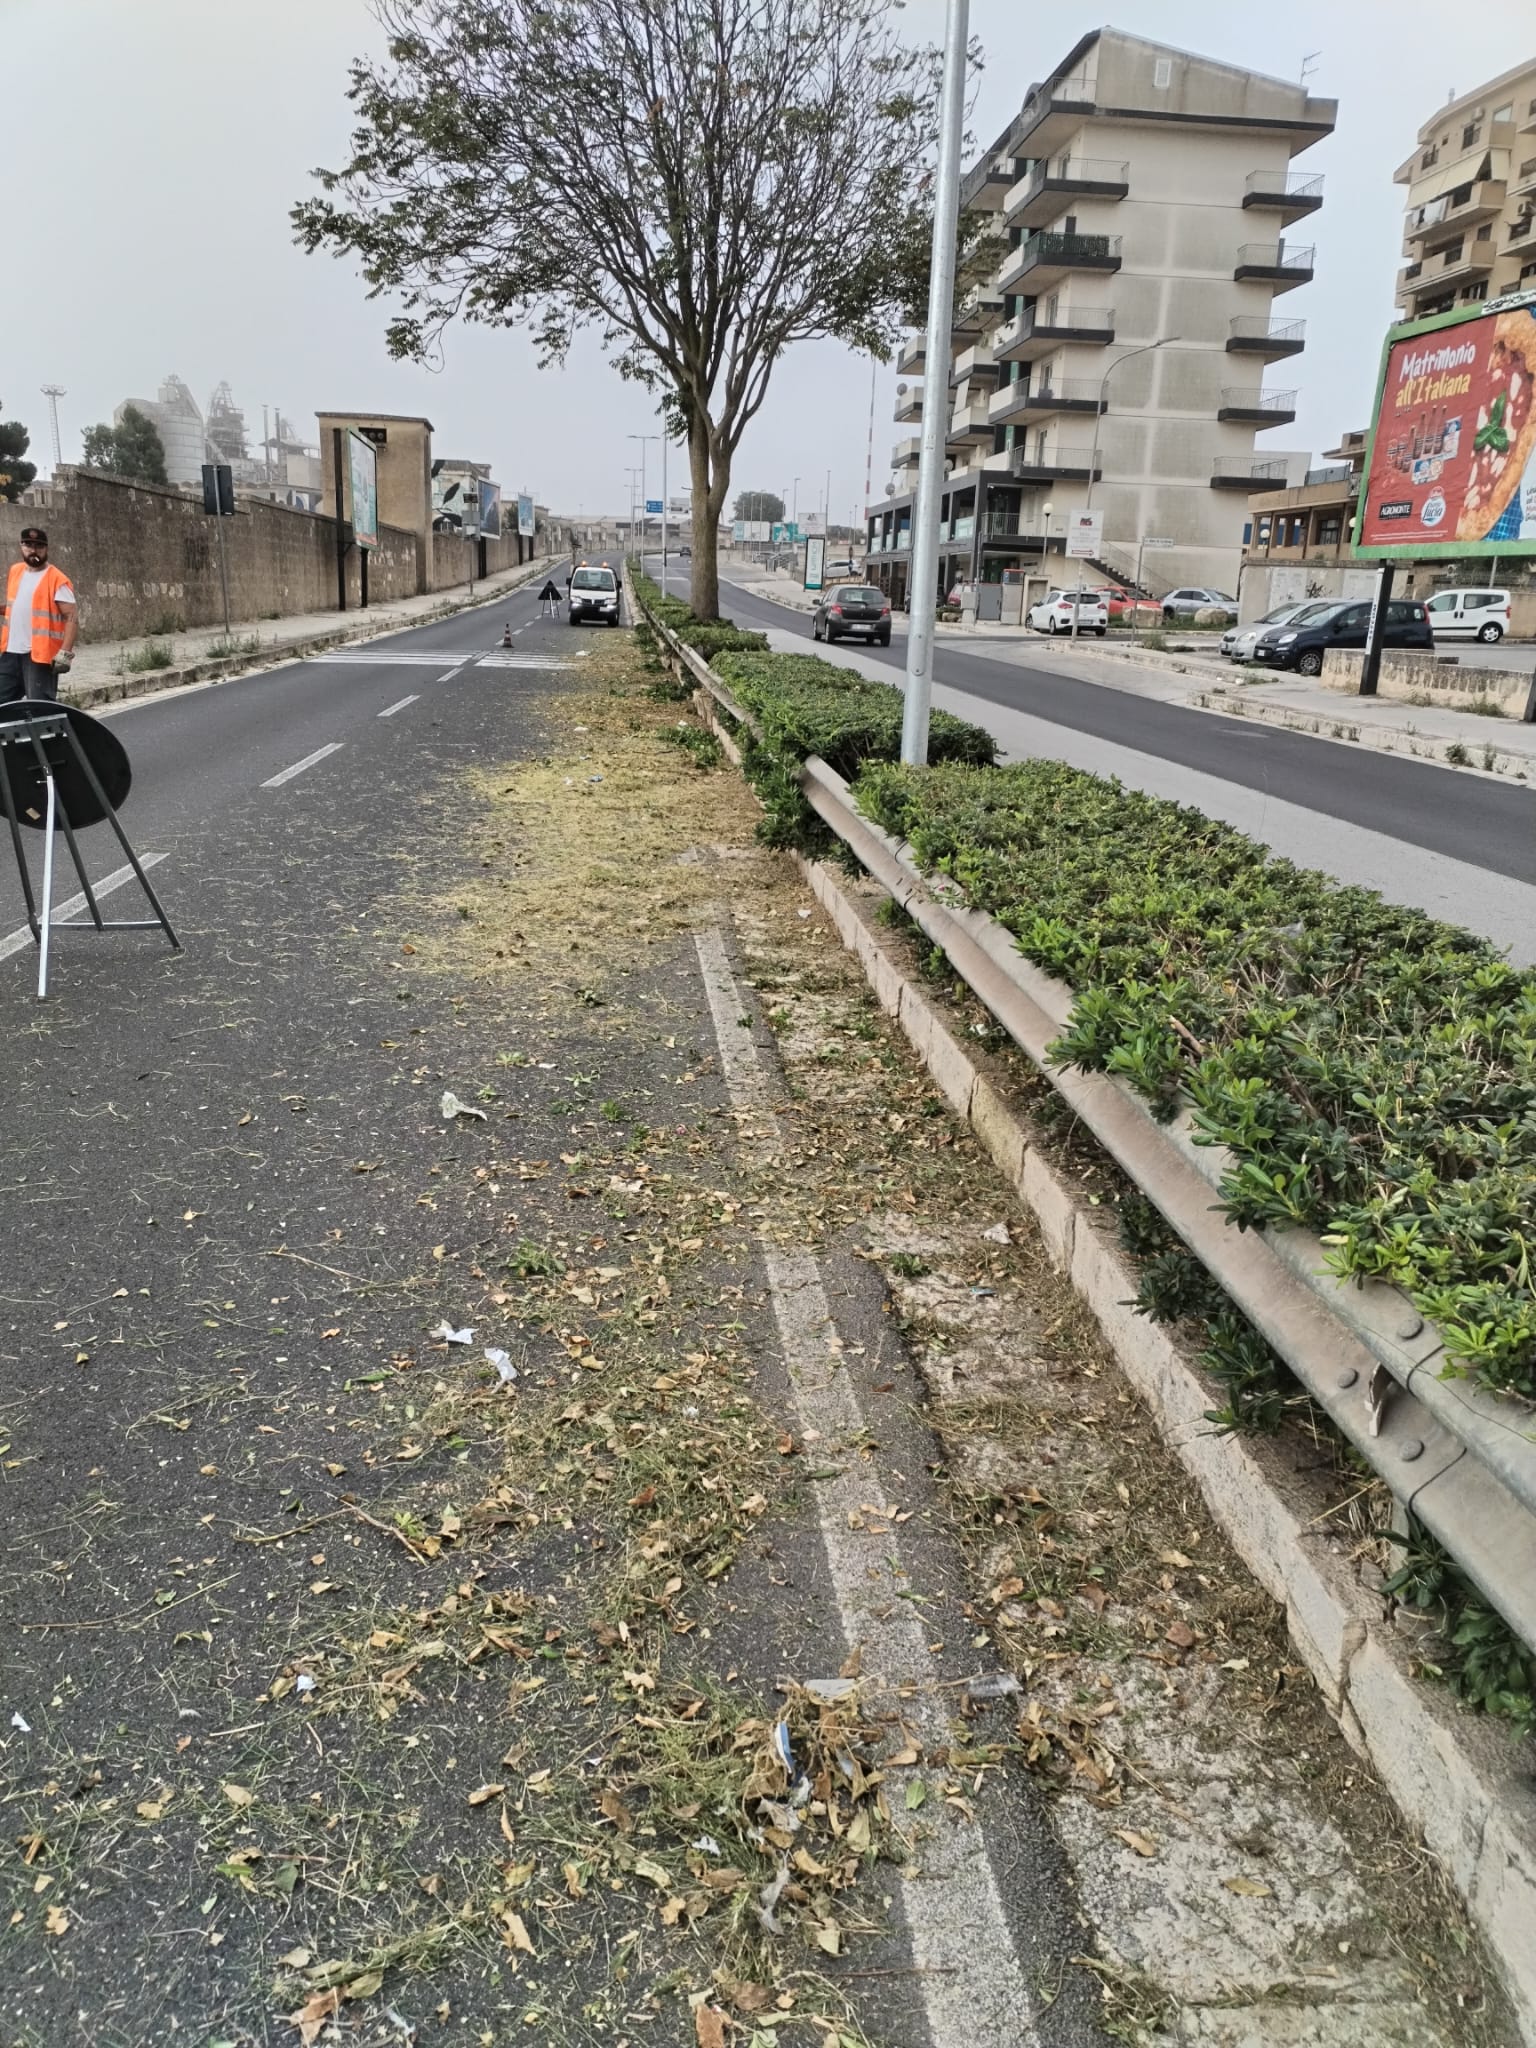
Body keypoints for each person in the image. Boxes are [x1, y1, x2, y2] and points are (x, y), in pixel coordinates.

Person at [0, 527, 77, 702]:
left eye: (39, 546)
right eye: (29, 545)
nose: (34, 551)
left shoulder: (57, 579)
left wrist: (65, 652)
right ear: (21, 546)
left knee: (40, 707)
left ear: (47, 548)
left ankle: (50, 730)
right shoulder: (16, 571)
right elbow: (17, 607)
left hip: (39, 656)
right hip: (10, 652)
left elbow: (71, 616)